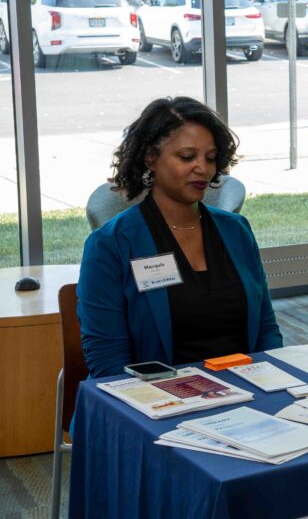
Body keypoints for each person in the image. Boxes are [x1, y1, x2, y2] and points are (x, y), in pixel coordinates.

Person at [77, 97, 283, 378]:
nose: (203, 168)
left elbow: (266, 329)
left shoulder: (236, 230)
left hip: (246, 392)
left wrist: (269, 382)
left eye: (210, 158)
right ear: (151, 158)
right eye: (187, 157)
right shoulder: (110, 245)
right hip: (156, 402)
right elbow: (108, 363)